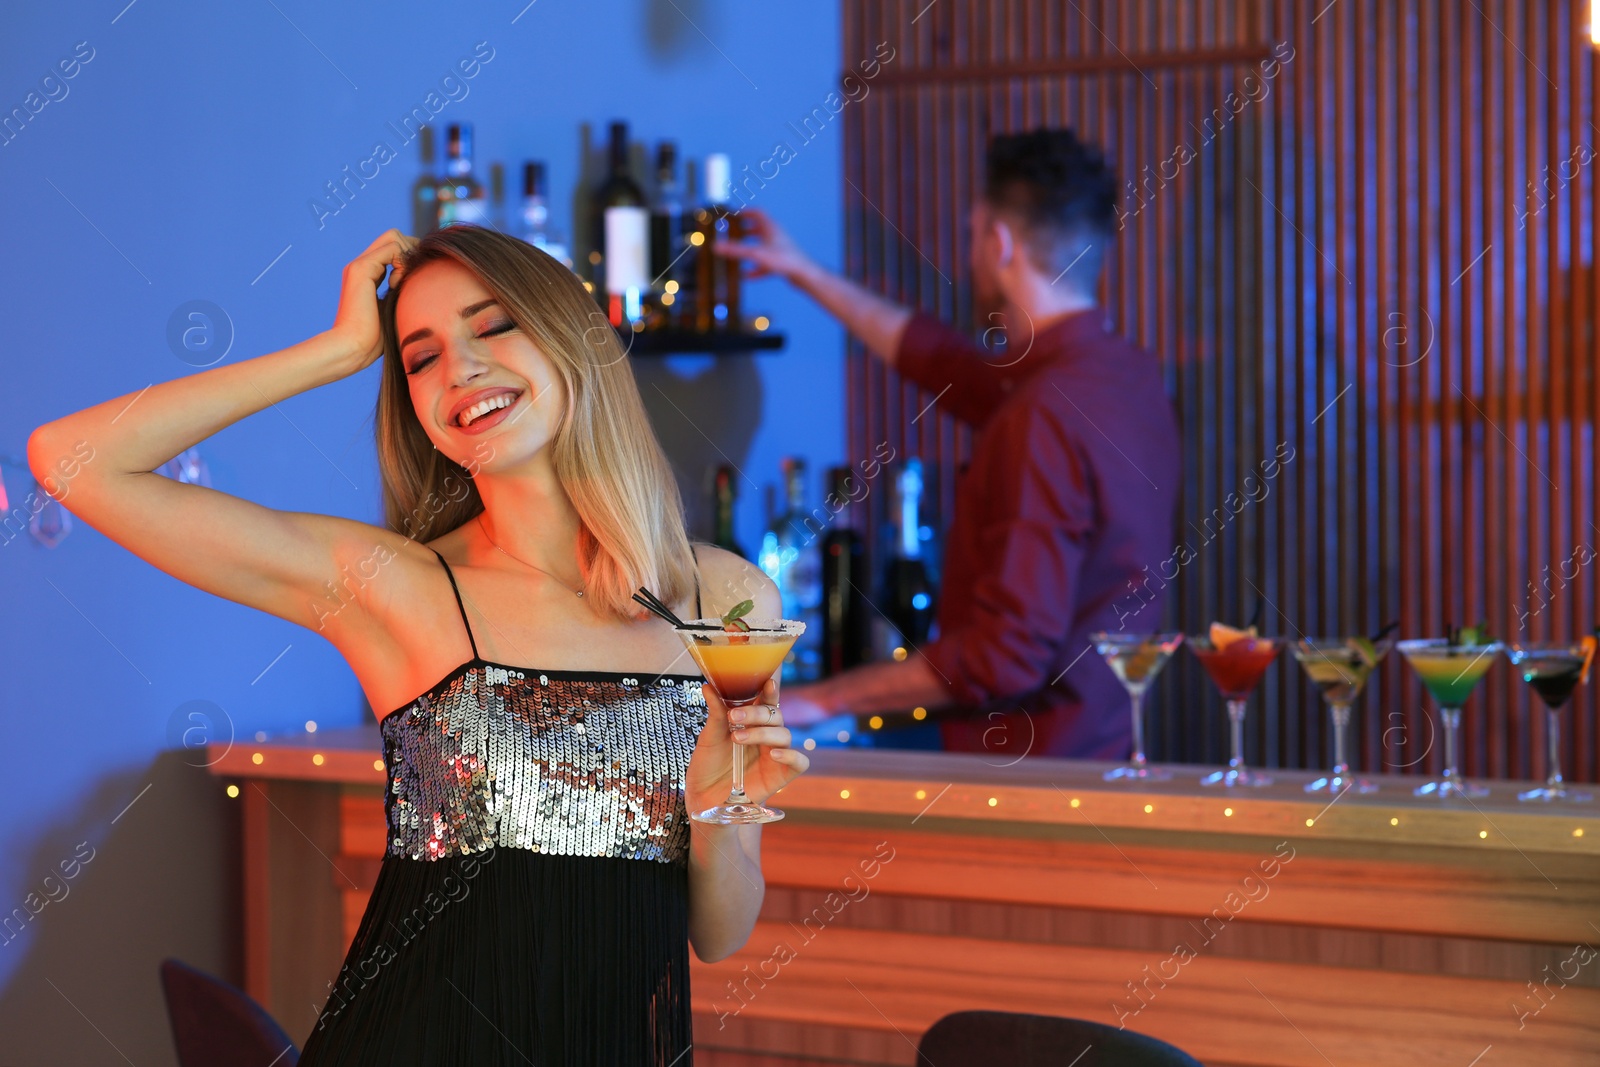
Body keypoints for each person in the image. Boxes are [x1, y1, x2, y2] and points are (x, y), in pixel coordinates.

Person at [27, 225, 807, 1064]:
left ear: (572, 336)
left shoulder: (728, 602)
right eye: (420, 356)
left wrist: (710, 811)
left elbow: (720, 935)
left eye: (493, 324)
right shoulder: (392, 586)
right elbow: (71, 460)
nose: (459, 367)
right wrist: (333, 353)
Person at [719, 128, 1182, 761]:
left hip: (1020, 771)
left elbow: (1003, 657)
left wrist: (821, 700)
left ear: (999, 243)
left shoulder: (1043, 411)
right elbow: (944, 364)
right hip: (1104, 747)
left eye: (973, 236)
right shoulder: (1126, 379)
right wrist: (803, 272)